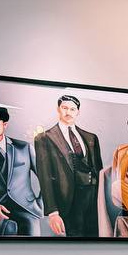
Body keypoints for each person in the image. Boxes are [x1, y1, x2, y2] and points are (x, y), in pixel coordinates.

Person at [33, 93, 103, 238]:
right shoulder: (44, 138)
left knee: (95, 241)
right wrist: (53, 212)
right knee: (75, 243)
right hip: (67, 201)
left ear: (78, 112)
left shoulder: (91, 137)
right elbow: (45, 177)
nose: (68, 112)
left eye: (72, 109)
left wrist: (103, 202)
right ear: (58, 109)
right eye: (64, 108)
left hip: (93, 200)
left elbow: (99, 171)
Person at [0, 104, 44, 236]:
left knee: (33, 246)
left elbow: (46, 178)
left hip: (26, 210)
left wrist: (40, 204)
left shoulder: (24, 147)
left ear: (4, 124)